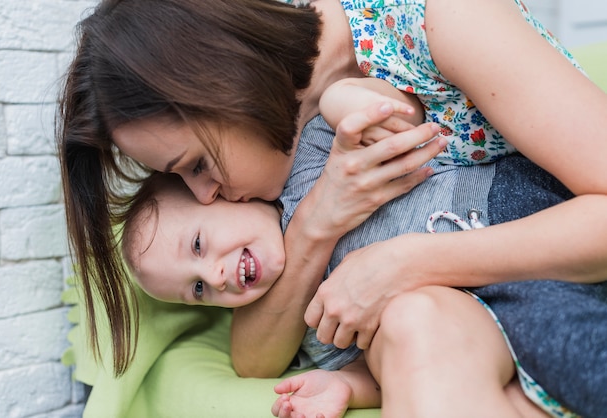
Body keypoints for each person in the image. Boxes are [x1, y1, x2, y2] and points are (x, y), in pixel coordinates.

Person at [56, 0, 607, 416]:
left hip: (561, 274)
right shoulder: (279, 167)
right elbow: (256, 360)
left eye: (196, 164)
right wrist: (320, 219)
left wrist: (406, 263)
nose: (203, 195)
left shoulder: (444, 21)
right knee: (413, 321)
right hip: (456, 326)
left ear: (224, 87)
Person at [119, 171, 547, 417]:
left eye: (197, 245)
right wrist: (345, 385)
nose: (213, 277)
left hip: (523, 241)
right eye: (197, 290)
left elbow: (355, 104)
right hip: (490, 337)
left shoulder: (312, 173)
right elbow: (392, 367)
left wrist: (347, 100)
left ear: (227, 192)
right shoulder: (309, 332)